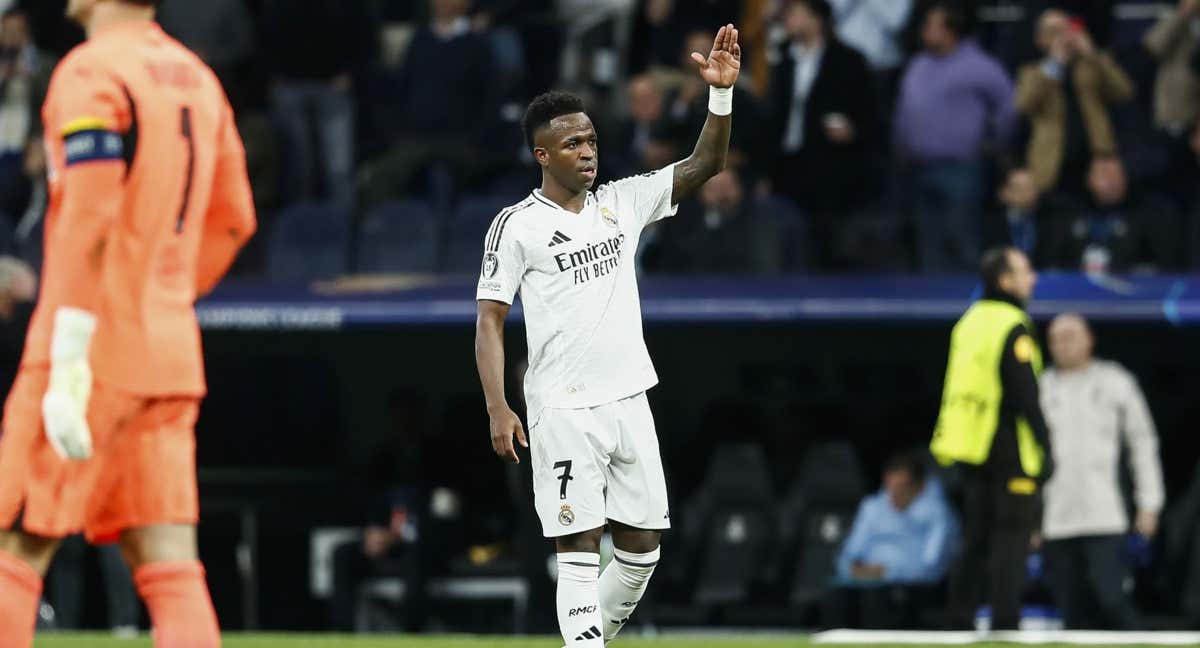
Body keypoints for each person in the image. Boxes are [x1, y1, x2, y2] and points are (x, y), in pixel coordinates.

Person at [474, 24, 741, 648]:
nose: (587, 151)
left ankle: (588, 638)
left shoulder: (623, 203)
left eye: (591, 139)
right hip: (562, 405)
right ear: (543, 155)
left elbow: (707, 162)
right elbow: (490, 317)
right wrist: (497, 405)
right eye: (572, 143)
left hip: (629, 397)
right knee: (578, 545)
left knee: (642, 551)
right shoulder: (516, 227)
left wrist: (721, 97)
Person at [0, 1, 256, 646]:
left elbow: (90, 215)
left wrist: (72, 351)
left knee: (10, 544)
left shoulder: (91, 71)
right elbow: (234, 220)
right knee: (170, 564)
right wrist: (162, 295)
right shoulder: (198, 76)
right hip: (168, 353)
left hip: (85, 348)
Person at [930, 246, 1053, 631]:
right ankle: (1005, 621)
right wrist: (1045, 442)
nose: (1032, 279)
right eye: (1025, 271)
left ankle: (958, 618)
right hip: (1006, 446)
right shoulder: (1011, 323)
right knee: (1011, 537)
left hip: (969, 444)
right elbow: (1022, 391)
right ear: (1005, 281)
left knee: (975, 536)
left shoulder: (969, 322)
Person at [1039, 313, 1165, 630]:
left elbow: (1142, 443)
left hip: (1105, 515)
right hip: (1056, 518)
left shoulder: (1115, 381)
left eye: (1071, 336)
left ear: (1090, 339)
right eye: (1057, 337)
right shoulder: (1041, 388)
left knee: (1112, 600)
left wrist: (1149, 504)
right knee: (1070, 610)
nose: (1064, 344)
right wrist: (1030, 518)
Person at [894, 1, 1016, 273]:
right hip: (918, 167)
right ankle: (933, 312)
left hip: (960, 169)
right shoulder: (919, 63)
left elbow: (1008, 106)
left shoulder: (978, 65)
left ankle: (968, 306)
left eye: (931, 25)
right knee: (928, 246)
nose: (924, 30)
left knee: (963, 243)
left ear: (951, 31)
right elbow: (905, 109)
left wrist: (993, 143)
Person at [768, 0, 878, 270]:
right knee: (790, 245)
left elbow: (871, 117)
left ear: (816, 18)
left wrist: (853, 130)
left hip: (832, 169)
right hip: (787, 167)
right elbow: (771, 117)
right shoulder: (783, 59)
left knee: (828, 246)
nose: (788, 19)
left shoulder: (848, 61)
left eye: (795, 13)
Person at [825, 452, 959, 629]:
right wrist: (854, 570)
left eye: (902, 488)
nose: (895, 495)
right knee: (835, 594)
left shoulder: (936, 512)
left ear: (919, 487)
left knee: (878, 598)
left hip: (911, 589)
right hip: (867, 582)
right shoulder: (872, 507)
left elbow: (932, 567)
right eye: (890, 488)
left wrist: (887, 572)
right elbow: (849, 554)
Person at [1015, 9, 1134, 198]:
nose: (1062, 37)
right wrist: (1055, 63)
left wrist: (1092, 54)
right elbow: (1024, 104)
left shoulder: (1092, 64)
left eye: (1065, 30)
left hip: (1096, 161)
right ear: (1040, 40)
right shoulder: (1032, 72)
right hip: (1053, 163)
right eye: (1053, 32)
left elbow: (1124, 91)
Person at [642, 167, 780, 274]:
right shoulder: (681, 224)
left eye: (727, 188)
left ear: (739, 190)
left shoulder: (758, 225)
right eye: (715, 189)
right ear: (702, 193)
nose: (722, 196)